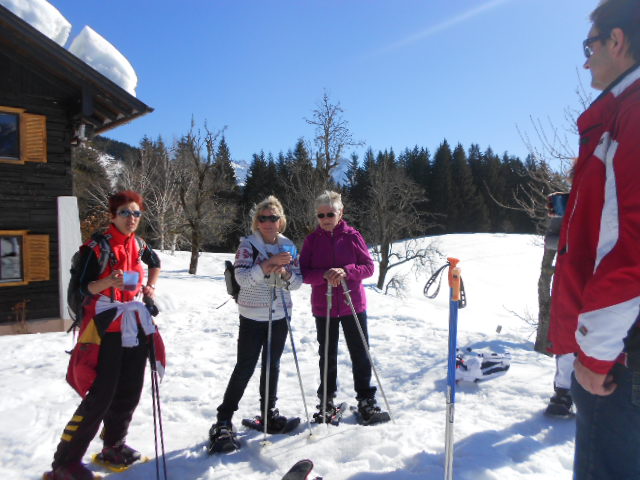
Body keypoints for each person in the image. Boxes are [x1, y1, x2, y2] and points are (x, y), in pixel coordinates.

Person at [548, 1, 640, 477]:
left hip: (621, 357)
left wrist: (595, 354)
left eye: (591, 46)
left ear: (618, 41)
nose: (586, 60)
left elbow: (633, 250)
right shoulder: (618, 117)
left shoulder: (633, 113)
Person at [45, 190, 161, 480]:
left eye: (136, 213)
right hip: (104, 327)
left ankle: (114, 445)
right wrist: (109, 280)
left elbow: (155, 261)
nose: (132, 218)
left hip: (133, 323)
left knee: (130, 388)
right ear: (113, 215)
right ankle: (65, 462)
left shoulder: (138, 243)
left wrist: (150, 287)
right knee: (101, 394)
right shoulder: (96, 247)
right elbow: (85, 288)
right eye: (125, 212)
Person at [208, 195, 302, 453]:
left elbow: (297, 282)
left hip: (280, 314)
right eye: (263, 218)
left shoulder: (289, 246)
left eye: (273, 217)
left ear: (281, 220)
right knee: (245, 366)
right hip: (252, 315)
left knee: (272, 366)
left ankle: (268, 412)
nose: (269, 222)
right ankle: (224, 418)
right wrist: (268, 264)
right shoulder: (248, 246)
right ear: (257, 222)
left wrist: (284, 272)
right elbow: (243, 279)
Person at [300, 190, 388, 425]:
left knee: (360, 352)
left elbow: (369, 268)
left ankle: (366, 400)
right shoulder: (312, 241)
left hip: (353, 304)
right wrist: (325, 275)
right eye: (321, 215)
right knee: (327, 354)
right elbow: (304, 274)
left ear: (341, 213)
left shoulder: (352, 236)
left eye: (331, 213)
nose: (326, 219)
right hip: (324, 306)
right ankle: (326, 400)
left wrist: (346, 271)